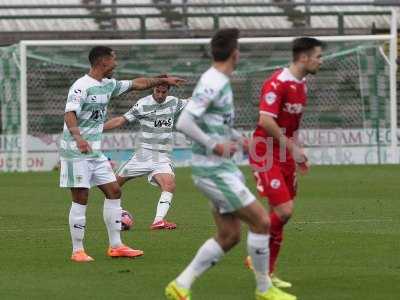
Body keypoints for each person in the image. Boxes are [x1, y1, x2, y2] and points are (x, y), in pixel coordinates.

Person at [165, 29, 296, 300]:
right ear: (235, 53)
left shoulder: (220, 81)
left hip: (218, 169)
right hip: (213, 170)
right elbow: (185, 122)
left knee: (229, 235)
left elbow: (217, 124)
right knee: (261, 221)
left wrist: (238, 139)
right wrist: (216, 146)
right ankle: (264, 289)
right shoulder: (212, 82)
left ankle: (180, 285)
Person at [60, 46, 185, 262]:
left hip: (95, 151)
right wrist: (78, 138)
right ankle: (77, 250)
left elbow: (138, 84)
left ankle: (116, 246)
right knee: (81, 197)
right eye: (113, 59)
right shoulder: (81, 86)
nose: (116, 64)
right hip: (75, 150)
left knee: (114, 191)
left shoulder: (108, 84)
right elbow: (69, 113)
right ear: (103, 62)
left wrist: (161, 80)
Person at [247, 37, 323, 288]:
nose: (320, 61)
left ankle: (267, 271)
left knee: (283, 213)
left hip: (284, 154)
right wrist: (292, 148)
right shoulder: (277, 82)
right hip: (265, 151)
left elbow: (291, 126)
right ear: (304, 57)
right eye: (318, 56)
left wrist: (294, 154)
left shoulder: (302, 84)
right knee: (284, 210)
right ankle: (256, 248)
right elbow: (265, 121)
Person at [103, 75, 189, 230]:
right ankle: (112, 215)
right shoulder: (142, 104)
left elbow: (194, 101)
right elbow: (121, 120)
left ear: (168, 91)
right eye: (158, 91)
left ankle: (158, 221)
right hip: (144, 154)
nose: (161, 95)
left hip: (162, 156)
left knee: (169, 185)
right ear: (153, 89)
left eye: (164, 92)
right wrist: (99, 129)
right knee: (113, 186)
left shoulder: (174, 103)